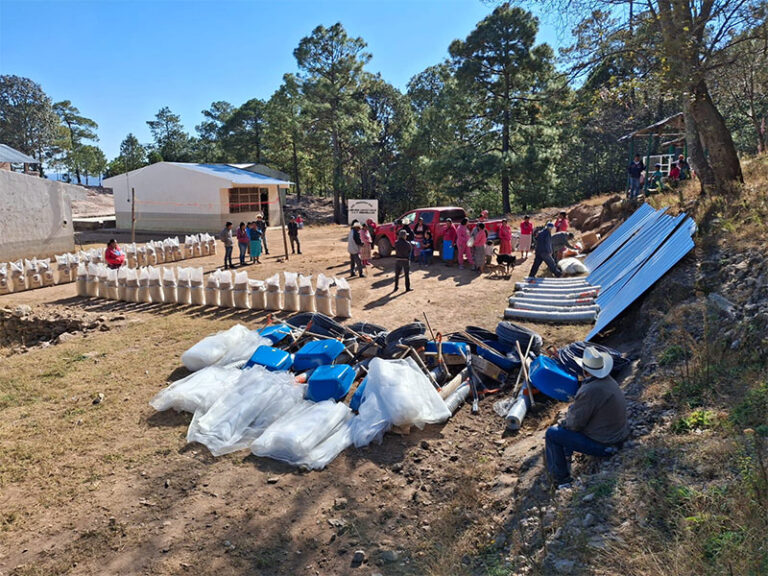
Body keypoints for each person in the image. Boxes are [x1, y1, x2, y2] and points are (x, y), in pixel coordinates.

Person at [545, 346, 629, 488]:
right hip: (619, 436)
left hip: (605, 445)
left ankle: (562, 481)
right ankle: (565, 455)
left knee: (553, 434)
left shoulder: (589, 390)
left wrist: (562, 422)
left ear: (584, 370)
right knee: (568, 425)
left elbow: (574, 424)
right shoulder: (609, 381)